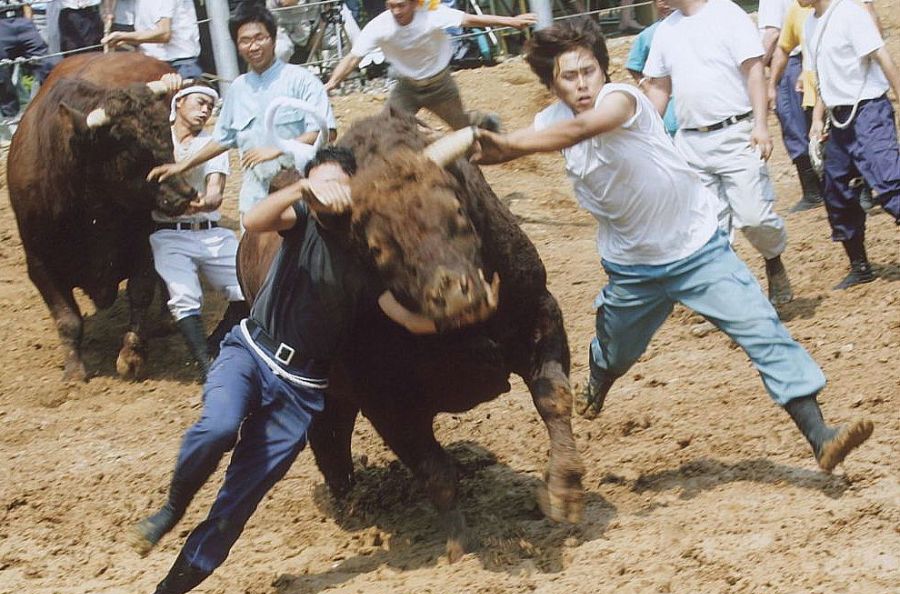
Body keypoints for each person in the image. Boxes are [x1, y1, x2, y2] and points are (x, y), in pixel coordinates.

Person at [473, 18, 873, 475]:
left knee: (762, 330)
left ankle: (820, 435)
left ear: (604, 70)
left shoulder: (622, 100)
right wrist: (491, 143)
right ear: (551, 82)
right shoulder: (548, 121)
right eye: (569, 76)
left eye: (589, 71)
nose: (583, 83)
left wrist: (507, 146)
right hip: (632, 267)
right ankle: (599, 379)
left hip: (696, 249)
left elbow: (581, 130)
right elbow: (544, 133)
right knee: (616, 350)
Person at [133, 146, 499, 594]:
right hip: (249, 354)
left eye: (335, 183)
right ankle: (172, 507)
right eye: (318, 182)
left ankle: (165, 593)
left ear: (354, 188)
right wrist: (303, 187)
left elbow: (406, 319)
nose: (326, 192)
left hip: (300, 392)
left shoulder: (369, 257)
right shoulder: (299, 218)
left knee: (236, 506)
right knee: (218, 426)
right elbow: (252, 221)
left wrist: (464, 314)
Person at [643, 0, 794, 307]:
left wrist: (761, 125)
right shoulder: (665, 32)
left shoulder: (727, 13)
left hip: (736, 134)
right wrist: (644, 133)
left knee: (754, 217)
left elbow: (754, 72)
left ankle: (773, 257)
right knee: (709, 232)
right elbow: (659, 88)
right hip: (690, 143)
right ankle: (738, 303)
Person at [148, 4, 337, 221]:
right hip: (254, 202)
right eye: (245, 41)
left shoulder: (302, 81)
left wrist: (276, 148)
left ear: (274, 39)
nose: (253, 46)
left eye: (260, 38)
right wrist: (182, 165)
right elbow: (222, 139)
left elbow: (327, 132)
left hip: (300, 199)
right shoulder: (237, 89)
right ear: (237, 46)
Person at [150, 81, 248, 380]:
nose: (205, 110)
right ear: (178, 103)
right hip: (169, 232)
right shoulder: (156, 140)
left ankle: (213, 344)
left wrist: (204, 202)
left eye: (209, 106)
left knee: (248, 288)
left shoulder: (212, 143)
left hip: (211, 231)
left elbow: (216, 191)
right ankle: (206, 366)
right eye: (199, 102)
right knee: (183, 295)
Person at [802, 0, 900, 288]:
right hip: (838, 118)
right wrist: (817, 118)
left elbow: (882, 57)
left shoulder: (849, 13)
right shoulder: (810, 24)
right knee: (837, 193)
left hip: (869, 111)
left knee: (890, 182)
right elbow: (823, 81)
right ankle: (860, 266)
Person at [324, 0, 536, 130]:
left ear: (414, 3)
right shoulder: (379, 25)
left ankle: (485, 120)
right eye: (391, 6)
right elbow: (353, 57)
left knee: (463, 126)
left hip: (440, 85)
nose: (396, 11)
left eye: (401, 5)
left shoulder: (433, 15)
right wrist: (331, 83)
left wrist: (511, 21)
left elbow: (470, 20)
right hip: (407, 87)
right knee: (385, 127)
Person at [759, 0, 824, 213]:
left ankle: (813, 191)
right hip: (802, 58)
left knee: (793, 125)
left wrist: (756, 66)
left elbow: (772, 34)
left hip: (788, 62)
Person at [101, 0, 202, 79]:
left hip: (180, 65)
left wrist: (123, 36)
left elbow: (164, 34)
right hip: (154, 64)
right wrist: (124, 40)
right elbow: (150, 35)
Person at [625, 0, 677, 137]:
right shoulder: (648, 34)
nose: (666, 4)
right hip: (667, 104)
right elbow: (633, 64)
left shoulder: (689, 27)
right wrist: (645, 85)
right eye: (661, 1)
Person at [0, 0, 54, 119]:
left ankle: (53, 106)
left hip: (22, 21)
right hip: (1, 23)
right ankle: (11, 117)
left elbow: (26, 3)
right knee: (2, 75)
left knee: (47, 65)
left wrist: (28, 21)